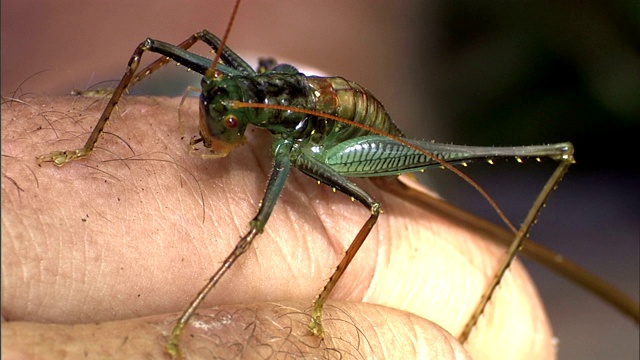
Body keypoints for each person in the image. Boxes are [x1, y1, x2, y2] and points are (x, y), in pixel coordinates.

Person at [1, 96, 553, 359]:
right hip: (307, 102)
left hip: (347, 138)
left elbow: (264, 225)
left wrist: (315, 309)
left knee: (346, 211)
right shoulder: (259, 100)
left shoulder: (290, 145)